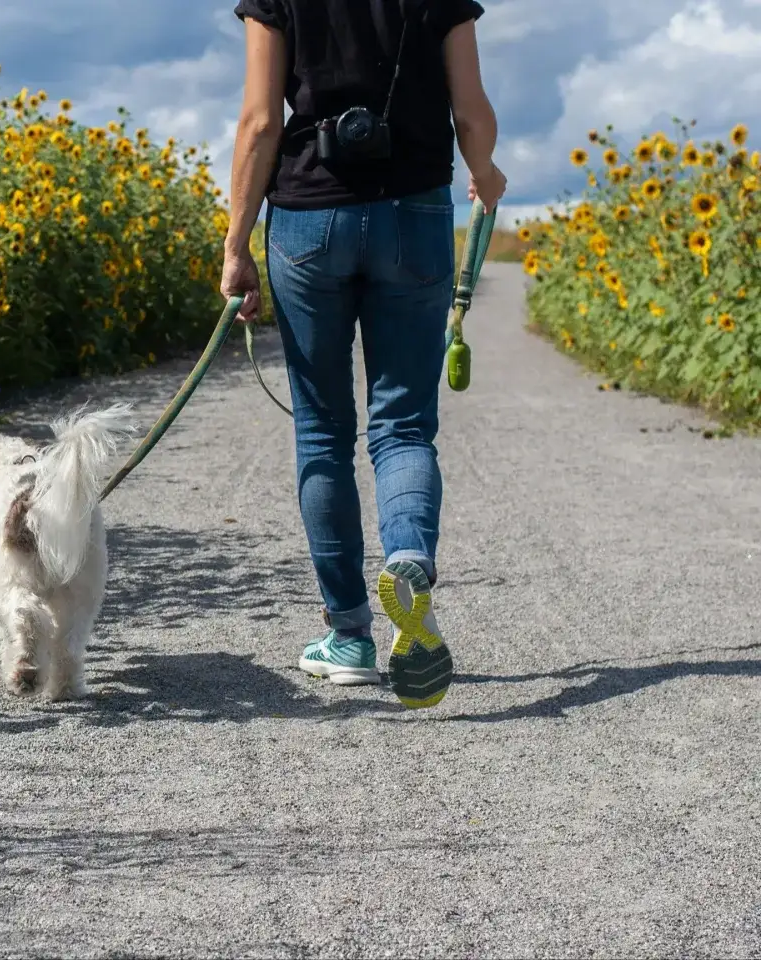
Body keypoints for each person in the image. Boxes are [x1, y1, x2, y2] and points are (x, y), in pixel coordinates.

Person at [220, 0, 506, 709]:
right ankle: (408, 556)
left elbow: (260, 121)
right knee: (404, 425)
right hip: (414, 211)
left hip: (309, 216)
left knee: (321, 431)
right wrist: (485, 170)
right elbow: (470, 109)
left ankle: (349, 637)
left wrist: (236, 243)